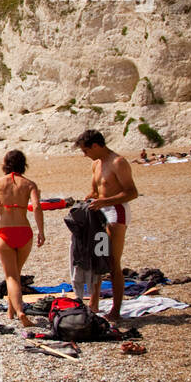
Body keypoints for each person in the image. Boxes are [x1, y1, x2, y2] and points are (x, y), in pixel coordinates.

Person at [75, 128, 139, 322]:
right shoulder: (96, 164)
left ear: (96, 146)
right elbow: (95, 191)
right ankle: (93, 304)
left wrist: (104, 201)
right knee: (98, 257)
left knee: (113, 262)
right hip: (100, 214)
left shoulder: (118, 162)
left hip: (116, 213)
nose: (84, 155)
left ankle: (116, 309)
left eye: (86, 150)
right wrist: (89, 199)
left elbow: (131, 192)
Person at [0, 150, 44, 326]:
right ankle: (11, 311)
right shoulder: (29, 184)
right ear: (23, 164)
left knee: (11, 276)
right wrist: (41, 231)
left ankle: (20, 311)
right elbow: (37, 207)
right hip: (25, 232)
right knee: (15, 273)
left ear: (5, 164)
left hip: (5, 232)